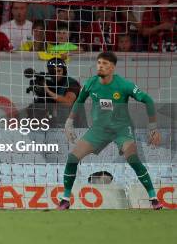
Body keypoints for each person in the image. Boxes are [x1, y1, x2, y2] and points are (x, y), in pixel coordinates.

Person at [59, 52, 163, 210]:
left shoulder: (124, 85)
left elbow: (147, 100)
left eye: (105, 64)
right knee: (72, 158)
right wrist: (69, 121)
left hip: (121, 129)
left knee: (133, 159)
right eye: (99, 62)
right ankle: (65, 199)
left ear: (112, 67)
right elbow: (79, 101)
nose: (100, 65)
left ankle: (153, 198)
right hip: (99, 129)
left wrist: (153, 127)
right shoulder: (91, 83)